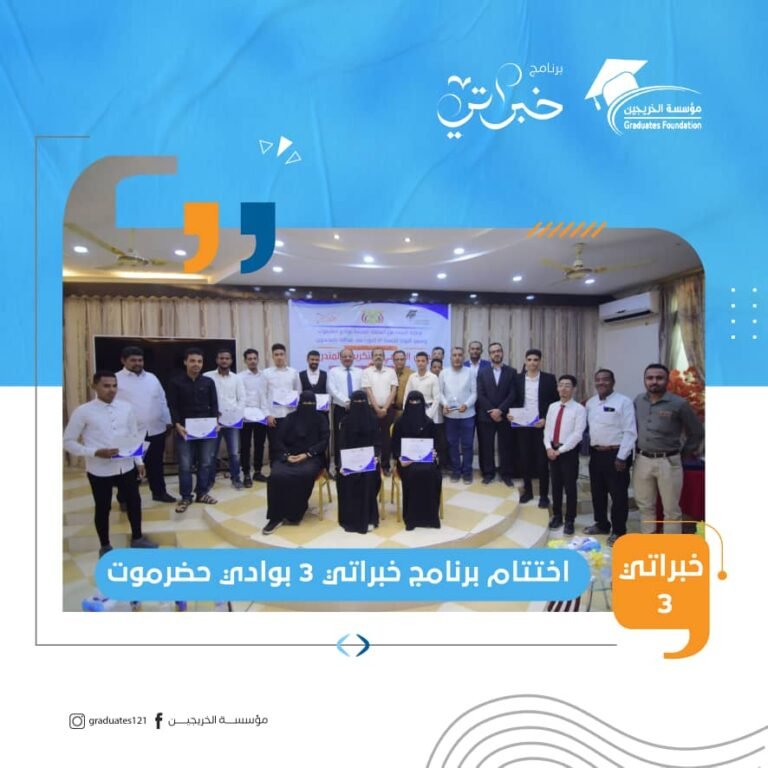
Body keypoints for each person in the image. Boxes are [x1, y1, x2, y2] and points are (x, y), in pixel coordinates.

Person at [63, 371, 157, 556]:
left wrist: (139, 461)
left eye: (114, 386)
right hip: (99, 469)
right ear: (94, 386)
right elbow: (68, 441)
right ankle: (105, 545)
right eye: (106, 386)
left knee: (134, 502)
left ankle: (137, 538)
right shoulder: (83, 411)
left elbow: (132, 436)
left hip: (126, 466)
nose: (111, 390)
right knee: (103, 507)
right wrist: (95, 452)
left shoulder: (126, 408)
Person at [633, 363, 704, 535]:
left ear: (667, 380)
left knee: (671, 510)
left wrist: (684, 453)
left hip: (668, 462)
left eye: (659, 378)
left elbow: (697, 431)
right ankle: (649, 542)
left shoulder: (679, 403)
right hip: (642, 461)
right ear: (644, 380)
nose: (654, 381)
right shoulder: (638, 401)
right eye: (650, 378)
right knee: (645, 506)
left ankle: (670, 547)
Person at [262, 390, 330, 534]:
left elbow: (324, 441)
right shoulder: (290, 418)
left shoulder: (321, 419)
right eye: (305, 403)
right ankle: (275, 517)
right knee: (276, 475)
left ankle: (295, 513)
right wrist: (287, 456)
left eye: (311, 403)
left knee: (304, 474)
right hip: (289, 456)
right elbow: (278, 440)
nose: (308, 406)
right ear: (299, 403)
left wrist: (307, 454)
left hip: (311, 457)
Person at [115, 345, 175, 503]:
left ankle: (159, 493)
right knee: (129, 467)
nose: (138, 363)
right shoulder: (115, 379)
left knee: (156, 464)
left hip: (155, 429)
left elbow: (162, 400)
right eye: (133, 360)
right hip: (130, 433)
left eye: (140, 360)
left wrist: (168, 421)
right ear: (123, 361)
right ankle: (125, 498)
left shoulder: (152, 378)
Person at [584, 369, 637, 545]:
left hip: (617, 454)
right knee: (597, 492)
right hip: (596, 453)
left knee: (618, 495)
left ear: (613, 382)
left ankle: (619, 530)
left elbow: (630, 432)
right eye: (598, 379)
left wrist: (622, 457)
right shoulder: (591, 403)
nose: (601, 382)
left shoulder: (624, 402)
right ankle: (601, 524)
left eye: (605, 379)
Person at [167, 347, 219, 513]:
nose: (196, 364)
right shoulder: (175, 382)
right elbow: (173, 406)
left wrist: (216, 422)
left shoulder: (208, 382)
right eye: (192, 361)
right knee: (185, 465)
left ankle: (202, 493)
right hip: (185, 430)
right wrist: (177, 424)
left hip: (207, 429)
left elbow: (214, 405)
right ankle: (186, 496)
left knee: (206, 462)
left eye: (199, 361)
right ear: (185, 362)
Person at [511, 349, 559, 507]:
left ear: (540, 361)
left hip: (542, 426)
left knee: (542, 461)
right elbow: (513, 399)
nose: (532, 362)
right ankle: (528, 492)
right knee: (524, 459)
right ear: (525, 361)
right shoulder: (517, 379)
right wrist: (510, 414)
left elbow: (555, 402)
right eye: (530, 359)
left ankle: (544, 495)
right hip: (523, 425)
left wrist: (546, 419)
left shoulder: (549, 379)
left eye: (536, 359)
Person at [392, 391, 442, 530]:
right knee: (413, 473)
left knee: (432, 473)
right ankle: (412, 518)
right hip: (406, 463)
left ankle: (430, 517)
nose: (414, 405)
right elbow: (395, 445)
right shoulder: (399, 423)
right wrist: (400, 458)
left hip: (426, 461)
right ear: (407, 404)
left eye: (417, 402)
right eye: (411, 402)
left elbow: (436, 443)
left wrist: (434, 452)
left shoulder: (429, 423)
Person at [544, 375, 587, 535]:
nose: (563, 388)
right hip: (552, 450)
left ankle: (570, 520)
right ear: (557, 388)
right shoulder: (552, 406)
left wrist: (560, 451)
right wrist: (549, 448)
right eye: (561, 385)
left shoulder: (579, 409)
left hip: (568, 452)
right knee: (555, 486)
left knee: (570, 487)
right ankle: (557, 516)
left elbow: (577, 434)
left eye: (567, 385)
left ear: (574, 389)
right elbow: (547, 430)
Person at [336, 390, 382, 533]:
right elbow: (342, 445)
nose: (359, 405)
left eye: (362, 401)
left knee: (368, 477)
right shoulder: (345, 422)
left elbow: (378, 443)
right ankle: (351, 517)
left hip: (370, 461)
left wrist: (375, 456)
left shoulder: (373, 420)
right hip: (349, 462)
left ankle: (370, 518)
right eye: (356, 402)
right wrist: (342, 464)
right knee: (347, 477)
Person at [475, 342, 518, 485]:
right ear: (489, 355)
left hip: (505, 416)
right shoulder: (482, 372)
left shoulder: (511, 371)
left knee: (506, 446)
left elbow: (513, 394)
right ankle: (488, 473)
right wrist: (492, 411)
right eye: (493, 352)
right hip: (486, 415)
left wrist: (500, 410)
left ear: (502, 353)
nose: (496, 354)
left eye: (498, 351)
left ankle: (506, 474)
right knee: (486, 446)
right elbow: (480, 394)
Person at [204, 348, 246, 489]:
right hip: (213, 422)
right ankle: (209, 481)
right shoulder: (207, 376)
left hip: (232, 422)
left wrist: (237, 415)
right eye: (221, 358)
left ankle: (236, 479)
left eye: (227, 358)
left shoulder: (237, 378)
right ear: (217, 360)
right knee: (211, 454)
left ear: (231, 361)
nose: (224, 361)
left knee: (234, 453)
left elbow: (242, 399)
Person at [439, 346, 477, 484]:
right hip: (450, 416)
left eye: (460, 355)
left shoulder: (470, 372)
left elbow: (474, 393)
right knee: (452, 444)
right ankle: (456, 471)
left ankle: (467, 472)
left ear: (463, 357)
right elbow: (440, 393)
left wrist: (466, 404)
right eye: (454, 355)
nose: (457, 358)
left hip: (468, 415)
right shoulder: (444, 372)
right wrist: (444, 404)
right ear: (450, 358)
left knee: (467, 445)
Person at [361, 348, 398, 476]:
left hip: (388, 409)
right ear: (372, 358)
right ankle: (372, 465)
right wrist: (377, 408)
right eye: (376, 355)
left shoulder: (391, 371)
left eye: (380, 355)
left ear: (384, 357)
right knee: (371, 437)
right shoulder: (366, 372)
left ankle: (385, 465)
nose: (378, 357)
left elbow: (394, 390)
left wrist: (385, 409)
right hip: (371, 409)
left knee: (386, 438)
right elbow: (368, 391)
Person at [327, 347, 363, 477]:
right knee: (340, 438)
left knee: (356, 436)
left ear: (353, 357)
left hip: (357, 409)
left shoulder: (360, 372)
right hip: (340, 409)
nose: (347, 358)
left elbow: (362, 389)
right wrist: (347, 402)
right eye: (344, 356)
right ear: (340, 358)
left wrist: (354, 403)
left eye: (350, 356)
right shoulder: (333, 371)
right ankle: (339, 466)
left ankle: (355, 465)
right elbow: (332, 389)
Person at [263, 343, 302, 463]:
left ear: (285, 356)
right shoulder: (266, 373)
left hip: (290, 415)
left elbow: (298, 392)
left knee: (290, 443)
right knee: (274, 445)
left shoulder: (293, 372)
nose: (279, 357)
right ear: (272, 356)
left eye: (281, 354)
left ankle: (288, 469)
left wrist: (296, 414)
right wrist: (267, 415)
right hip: (273, 416)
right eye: (276, 355)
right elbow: (263, 395)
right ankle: (274, 469)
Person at [238, 348, 269, 486]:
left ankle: (257, 471)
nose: (252, 361)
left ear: (258, 359)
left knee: (260, 444)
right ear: (245, 361)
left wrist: (266, 413)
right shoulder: (240, 377)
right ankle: (246, 473)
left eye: (254, 358)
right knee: (245, 445)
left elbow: (265, 395)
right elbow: (239, 397)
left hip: (261, 415)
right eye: (249, 359)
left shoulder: (264, 376)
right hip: (245, 416)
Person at [430, 357, 450, 471]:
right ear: (431, 368)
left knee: (442, 443)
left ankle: (443, 465)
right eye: (434, 367)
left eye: (439, 367)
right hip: (430, 417)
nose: (437, 369)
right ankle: (431, 465)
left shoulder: (446, 380)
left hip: (443, 417)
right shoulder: (427, 380)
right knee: (431, 442)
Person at [391, 349, 414, 420]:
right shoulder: (389, 373)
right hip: (391, 411)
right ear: (393, 361)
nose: (399, 361)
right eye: (397, 359)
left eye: (401, 359)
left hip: (407, 410)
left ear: (405, 360)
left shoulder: (412, 374)